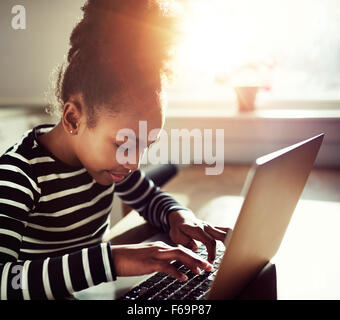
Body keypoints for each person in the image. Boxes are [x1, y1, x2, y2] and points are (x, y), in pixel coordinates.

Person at [0, 0, 229, 300]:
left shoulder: (105, 166)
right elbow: (4, 280)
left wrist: (178, 216)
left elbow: (150, 199)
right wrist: (114, 260)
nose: (133, 163)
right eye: (124, 144)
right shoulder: (18, 176)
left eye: (145, 145)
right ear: (73, 118)